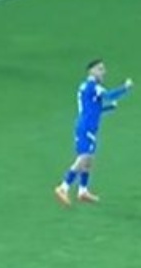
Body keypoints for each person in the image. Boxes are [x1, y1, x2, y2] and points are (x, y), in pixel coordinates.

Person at [54, 59, 132, 206]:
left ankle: (83, 191)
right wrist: (125, 88)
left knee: (89, 160)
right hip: (86, 127)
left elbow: (93, 110)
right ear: (91, 71)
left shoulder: (87, 87)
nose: (104, 72)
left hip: (87, 126)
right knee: (84, 158)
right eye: (100, 69)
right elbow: (109, 96)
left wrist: (108, 108)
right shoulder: (93, 86)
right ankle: (63, 187)